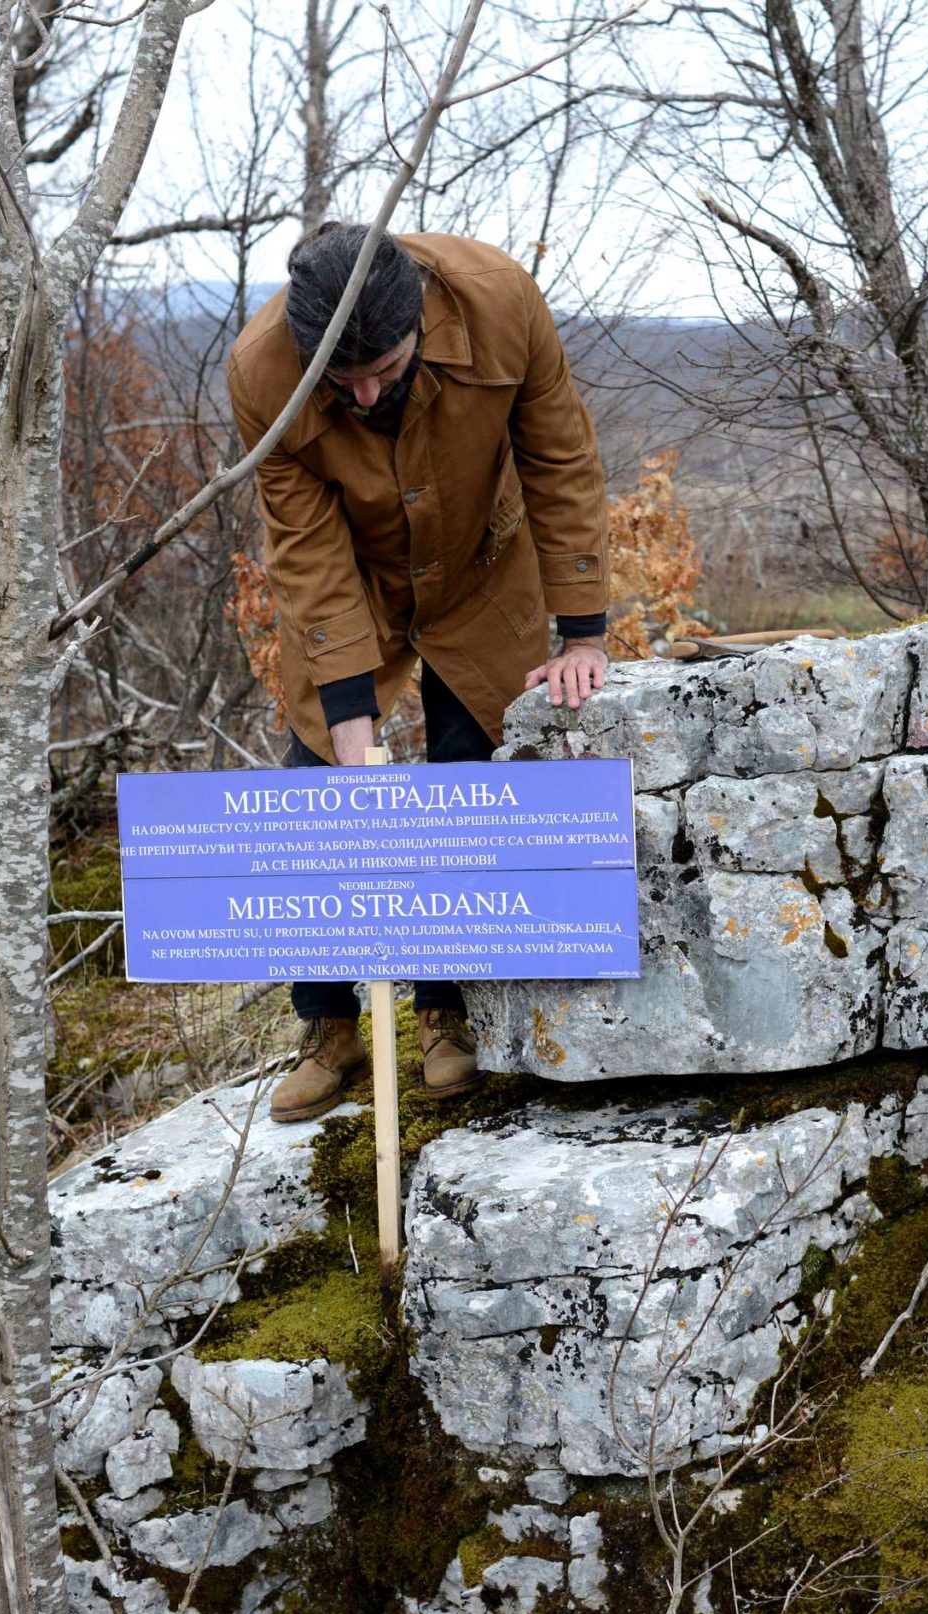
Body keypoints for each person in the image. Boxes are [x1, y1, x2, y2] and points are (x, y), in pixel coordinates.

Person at [227, 224, 613, 1123]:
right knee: (322, 788)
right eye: (343, 380)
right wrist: (351, 718)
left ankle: (447, 1012)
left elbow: (561, 459)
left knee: (465, 772)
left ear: (423, 325)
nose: (363, 394)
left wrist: (584, 632)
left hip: (482, 565)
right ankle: (327, 1027)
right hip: (352, 580)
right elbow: (305, 546)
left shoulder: (500, 300)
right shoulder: (261, 371)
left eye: (385, 370)